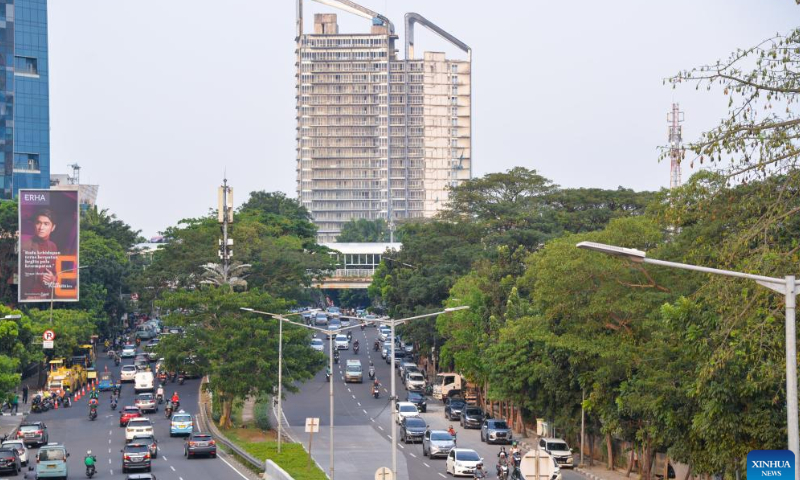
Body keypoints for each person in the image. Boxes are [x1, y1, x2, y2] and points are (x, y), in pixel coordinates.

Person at [19, 208, 60, 299]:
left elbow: (55, 272)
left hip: (46, 295)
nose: (41, 227)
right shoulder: (25, 246)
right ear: (34, 224)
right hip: (28, 295)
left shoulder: (53, 246)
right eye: (38, 223)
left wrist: (53, 278)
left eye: (46, 224)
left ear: (53, 227)